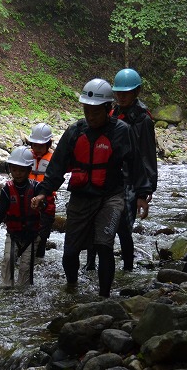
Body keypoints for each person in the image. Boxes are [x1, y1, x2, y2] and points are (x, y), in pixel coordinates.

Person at [31, 78, 140, 298]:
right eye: (87, 110)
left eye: (96, 111)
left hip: (111, 197)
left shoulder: (122, 131)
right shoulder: (75, 132)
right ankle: (71, 290)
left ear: (108, 109)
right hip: (81, 197)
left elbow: (136, 166)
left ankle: (104, 298)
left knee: (104, 245)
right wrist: (43, 191)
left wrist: (142, 195)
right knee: (70, 253)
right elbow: (57, 165)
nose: (91, 116)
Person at [85, 68, 157, 272]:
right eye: (119, 93)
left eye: (126, 93)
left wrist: (144, 192)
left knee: (124, 229)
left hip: (132, 182)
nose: (122, 97)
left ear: (137, 92)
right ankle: (90, 266)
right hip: (109, 178)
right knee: (97, 223)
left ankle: (127, 270)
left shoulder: (143, 120)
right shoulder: (112, 113)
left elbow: (147, 156)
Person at [0, 146, 40, 288]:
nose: (17, 173)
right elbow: (0, 213)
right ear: (10, 169)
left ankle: (23, 291)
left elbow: (45, 210)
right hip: (13, 234)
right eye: (14, 169)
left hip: (31, 235)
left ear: (29, 171)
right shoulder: (7, 190)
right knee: (8, 259)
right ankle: (6, 286)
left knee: (25, 266)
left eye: (21, 170)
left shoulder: (36, 188)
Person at [27, 123, 56, 258]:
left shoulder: (54, 159)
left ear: (48, 144)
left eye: (41, 146)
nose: (37, 149)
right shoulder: (26, 156)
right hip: (28, 200)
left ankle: (39, 259)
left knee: (42, 235)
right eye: (35, 145)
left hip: (47, 202)